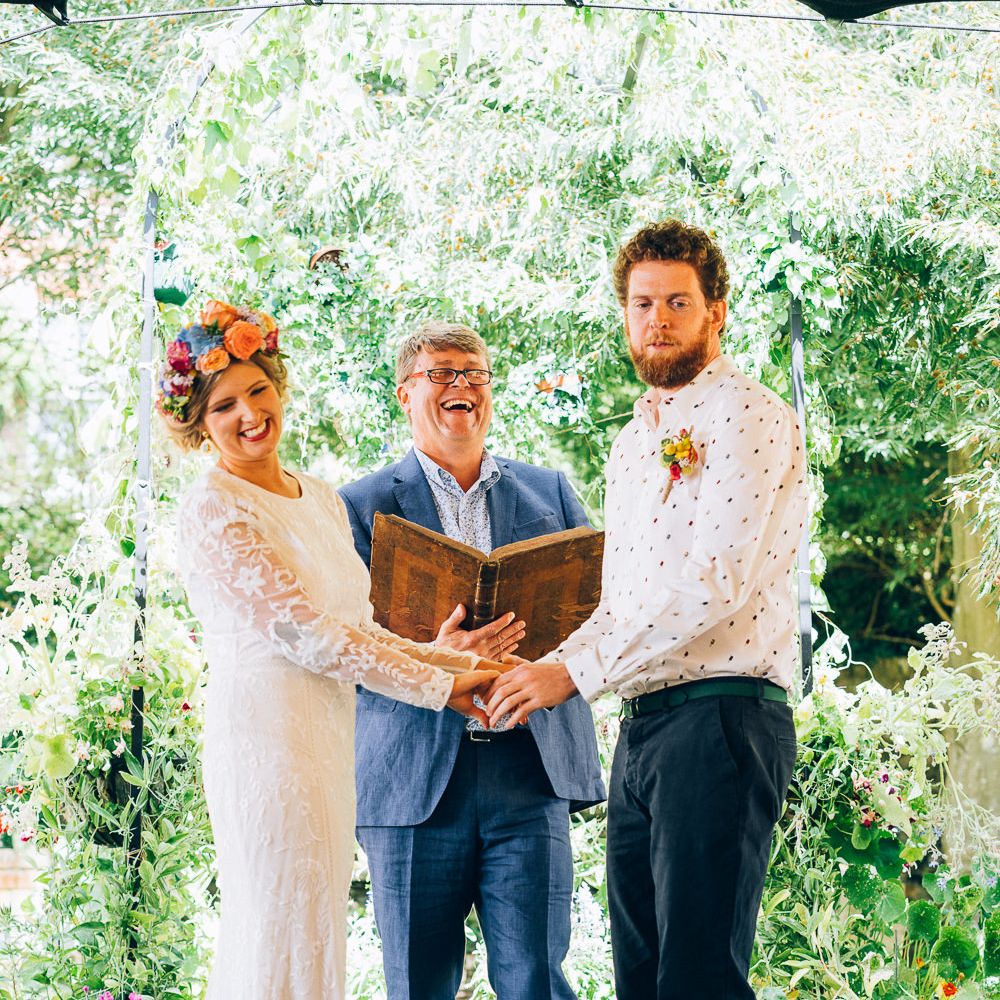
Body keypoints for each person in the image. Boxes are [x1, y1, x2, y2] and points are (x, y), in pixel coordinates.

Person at [486, 221, 808, 1000]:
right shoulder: (633, 444)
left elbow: (716, 580)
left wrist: (573, 671)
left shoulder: (748, 415)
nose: (656, 319)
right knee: (640, 976)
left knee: (698, 977)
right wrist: (544, 664)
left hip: (724, 718)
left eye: (676, 302)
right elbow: (623, 600)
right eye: (641, 304)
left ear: (716, 313)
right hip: (642, 728)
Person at [157, 300, 498, 999]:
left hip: (328, 746)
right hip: (267, 746)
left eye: (258, 389)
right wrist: (441, 688)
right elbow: (309, 636)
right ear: (199, 425)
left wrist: (460, 664)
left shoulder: (317, 497)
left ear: (278, 386)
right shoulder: (213, 507)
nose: (251, 413)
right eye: (225, 405)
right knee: (277, 926)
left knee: (315, 928)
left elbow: (358, 625)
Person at [339, 322, 605, 1000]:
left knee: (538, 982)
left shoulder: (552, 492)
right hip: (412, 780)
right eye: (442, 373)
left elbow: (600, 614)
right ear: (404, 394)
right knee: (416, 986)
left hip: (529, 771)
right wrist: (435, 661)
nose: (462, 385)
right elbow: (343, 647)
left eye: (475, 373)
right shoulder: (358, 507)